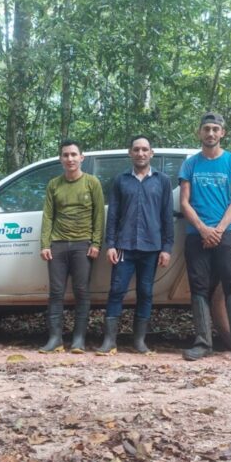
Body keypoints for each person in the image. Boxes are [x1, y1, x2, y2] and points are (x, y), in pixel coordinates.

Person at [179, 112, 231, 362]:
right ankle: (203, 343)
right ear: (199, 132)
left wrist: (219, 229)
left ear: (222, 132)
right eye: (206, 129)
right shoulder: (190, 164)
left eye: (215, 129)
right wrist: (202, 229)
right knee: (199, 287)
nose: (210, 133)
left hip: (229, 232)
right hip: (196, 234)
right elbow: (184, 202)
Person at [96, 135, 174, 355]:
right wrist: (110, 244)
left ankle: (139, 342)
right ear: (130, 153)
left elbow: (167, 216)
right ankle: (109, 341)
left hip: (151, 248)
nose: (141, 153)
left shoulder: (162, 181)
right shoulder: (121, 180)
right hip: (124, 246)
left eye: (144, 149)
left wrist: (167, 248)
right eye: (136, 149)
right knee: (116, 291)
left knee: (146, 292)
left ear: (152, 153)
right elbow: (113, 215)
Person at [39, 139, 105, 353]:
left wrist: (96, 243)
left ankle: (78, 339)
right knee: (56, 293)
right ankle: (55, 339)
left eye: (74, 154)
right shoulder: (54, 184)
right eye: (66, 155)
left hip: (82, 244)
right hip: (57, 245)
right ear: (61, 159)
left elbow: (99, 215)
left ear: (81, 158)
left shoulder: (92, 182)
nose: (70, 159)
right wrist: (45, 243)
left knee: (82, 291)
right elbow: (48, 216)